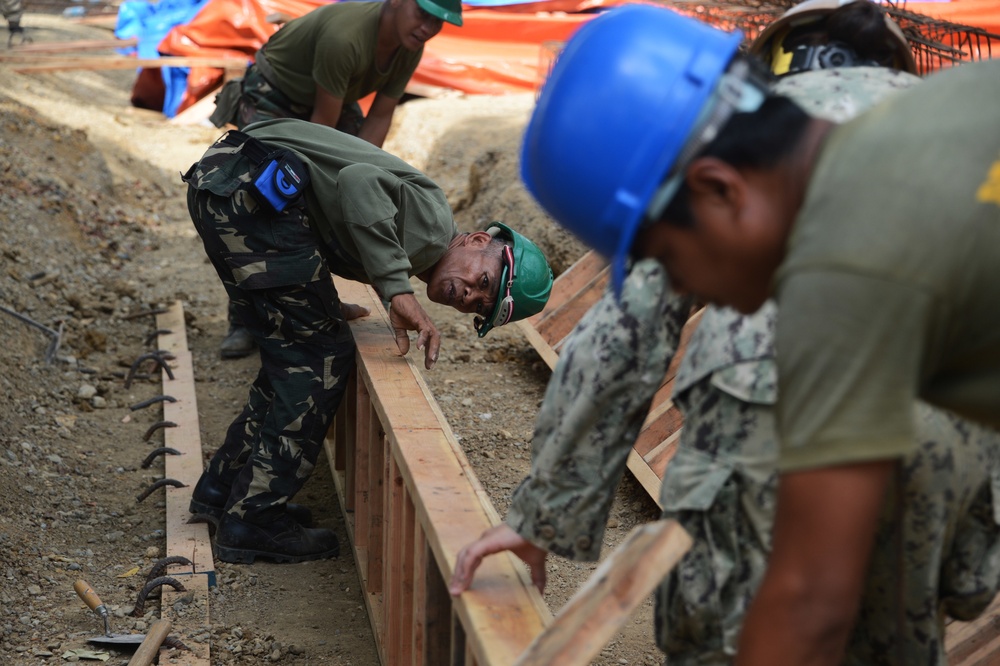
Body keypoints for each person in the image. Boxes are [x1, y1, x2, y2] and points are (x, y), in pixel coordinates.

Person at [450, 2, 1000, 664]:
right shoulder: (954, 122)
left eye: (673, 265)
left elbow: (810, 602)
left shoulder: (845, 267)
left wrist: (545, 514)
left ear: (719, 189)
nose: (694, 295)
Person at [182, 118, 553, 564]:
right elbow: (359, 183)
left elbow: (333, 211)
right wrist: (396, 288)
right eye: (483, 279)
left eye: (479, 306)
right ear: (476, 241)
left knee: (294, 351)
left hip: (230, 187)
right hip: (250, 193)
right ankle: (253, 519)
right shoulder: (434, 224)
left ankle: (223, 487)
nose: (470, 295)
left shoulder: (420, 244)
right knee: (319, 358)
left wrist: (319, 303)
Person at [210, 0, 461, 359]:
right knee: (268, 204)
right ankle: (245, 319)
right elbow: (318, 137)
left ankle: (313, 298)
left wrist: (366, 186)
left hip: (328, 102)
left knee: (341, 204)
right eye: (423, 14)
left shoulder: (409, 46)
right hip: (275, 94)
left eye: (438, 23)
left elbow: (380, 117)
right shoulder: (347, 37)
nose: (427, 28)